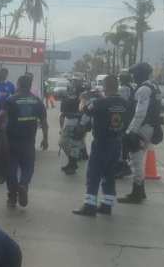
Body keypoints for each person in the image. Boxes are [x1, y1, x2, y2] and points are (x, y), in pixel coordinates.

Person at [73, 75, 129, 216]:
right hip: (117, 142)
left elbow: (84, 110)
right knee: (109, 174)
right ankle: (107, 204)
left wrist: (84, 99)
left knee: (94, 173)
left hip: (102, 143)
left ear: (105, 87)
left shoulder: (100, 102)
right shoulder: (124, 103)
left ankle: (89, 205)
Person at [0, 73, 50, 208]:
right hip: (29, 140)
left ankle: (12, 197)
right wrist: (45, 139)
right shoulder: (37, 101)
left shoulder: (11, 100)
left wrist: (0, 130)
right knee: (28, 166)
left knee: (11, 168)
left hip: (12, 140)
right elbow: (44, 122)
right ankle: (23, 185)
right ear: (30, 85)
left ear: (18, 85)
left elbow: (2, 116)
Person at [118, 62, 162, 204]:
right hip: (150, 127)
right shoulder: (154, 86)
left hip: (142, 128)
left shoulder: (143, 89)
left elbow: (140, 113)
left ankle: (136, 193)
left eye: (135, 74)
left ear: (140, 74)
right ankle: (140, 191)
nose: (133, 77)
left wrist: (131, 131)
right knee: (138, 160)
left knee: (136, 160)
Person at [58, 79, 85, 175]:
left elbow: (84, 113)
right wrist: (61, 128)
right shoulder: (66, 100)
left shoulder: (81, 100)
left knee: (73, 145)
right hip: (70, 123)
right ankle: (72, 163)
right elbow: (62, 115)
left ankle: (72, 164)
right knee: (64, 143)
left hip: (78, 124)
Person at [114, 72, 135, 179]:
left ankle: (123, 167)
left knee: (121, 143)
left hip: (124, 118)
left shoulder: (123, 89)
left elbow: (122, 103)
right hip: (129, 118)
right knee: (123, 143)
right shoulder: (131, 88)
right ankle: (124, 166)